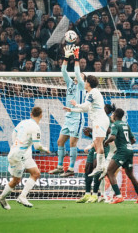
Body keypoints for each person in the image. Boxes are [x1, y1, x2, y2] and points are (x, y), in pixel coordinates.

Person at [0, 107, 50, 210]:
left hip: (23, 153)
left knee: (36, 173)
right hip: (18, 155)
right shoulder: (36, 128)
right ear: (41, 116)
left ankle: (22, 196)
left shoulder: (23, 122)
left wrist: (17, 145)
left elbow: (14, 133)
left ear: (31, 114)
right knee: (16, 180)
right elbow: (37, 146)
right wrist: (45, 149)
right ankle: (2, 198)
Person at [50, 44, 86, 177]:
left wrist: (76, 57)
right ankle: (60, 166)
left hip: (77, 116)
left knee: (72, 143)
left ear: (84, 79)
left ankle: (70, 169)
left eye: (81, 75)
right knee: (60, 142)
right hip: (68, 117)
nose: (78, 75)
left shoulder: (82, 86)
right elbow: (64, 71)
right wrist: (66, 57)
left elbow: (77, 72)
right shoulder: (71, 83)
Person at [64, 75, 110, 178]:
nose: (84, 83)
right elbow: (84, 109)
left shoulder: (94, 92)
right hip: (97, 121)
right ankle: (102, 167)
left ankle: (100, 166)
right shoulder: (89, 94)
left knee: (98, 143)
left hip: (100, 120)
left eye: (85, 82)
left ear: (88, 83)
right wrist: (72, 110)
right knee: (97, 143)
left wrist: (76, 104)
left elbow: (84, 106)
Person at [103, 108, 138, 204]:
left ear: (115, 115)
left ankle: (118, 196)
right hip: (129, 150)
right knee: (130, 174)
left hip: (122, 151)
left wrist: (106, 142)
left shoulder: (115, 124)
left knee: (109, 171)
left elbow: (113, 136)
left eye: (112, 114)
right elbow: (133, 140)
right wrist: (125, 146)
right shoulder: (126, 125)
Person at [76, 104, 116, 203]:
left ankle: (95, 195)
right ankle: (87, 194)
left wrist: (92, 130)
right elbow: (97, 135)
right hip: (95, 146)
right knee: (88, 168)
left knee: (96, 168)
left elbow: (108, 132)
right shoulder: (98, 119)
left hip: (103, 148)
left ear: (106, 110)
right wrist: (89, 134)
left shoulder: (108, 120)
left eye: (103, 108)